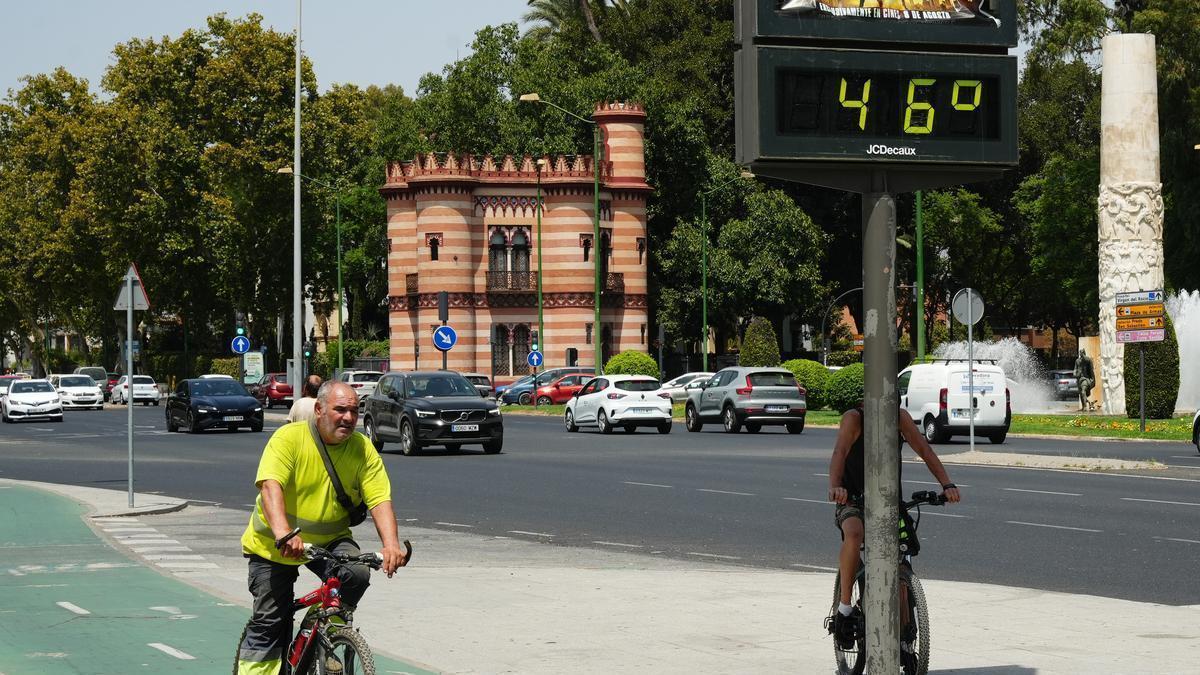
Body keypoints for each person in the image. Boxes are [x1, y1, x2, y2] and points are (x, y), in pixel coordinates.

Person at [235, 381, 407, 675]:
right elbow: (270, 486)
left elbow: (379, 499)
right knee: (270, 622)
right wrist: (283, 534)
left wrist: (391, 545)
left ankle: (322, 632)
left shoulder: (361, 448)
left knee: (357, 573)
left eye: (354, 410)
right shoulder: (289, 438)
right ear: (319, 409)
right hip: (275, 545)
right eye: (340, 409)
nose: (349, 418)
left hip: (329, 541)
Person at [827, 403, 961, 648]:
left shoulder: (899, 418)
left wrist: (947, 484)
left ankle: (904, 636)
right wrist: (836, 486)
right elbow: (840, 452)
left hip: (889, 502)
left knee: (902, 552)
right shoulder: (854, 419)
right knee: (855, 533)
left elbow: (924, 449)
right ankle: (845, 607)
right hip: (853, 497)